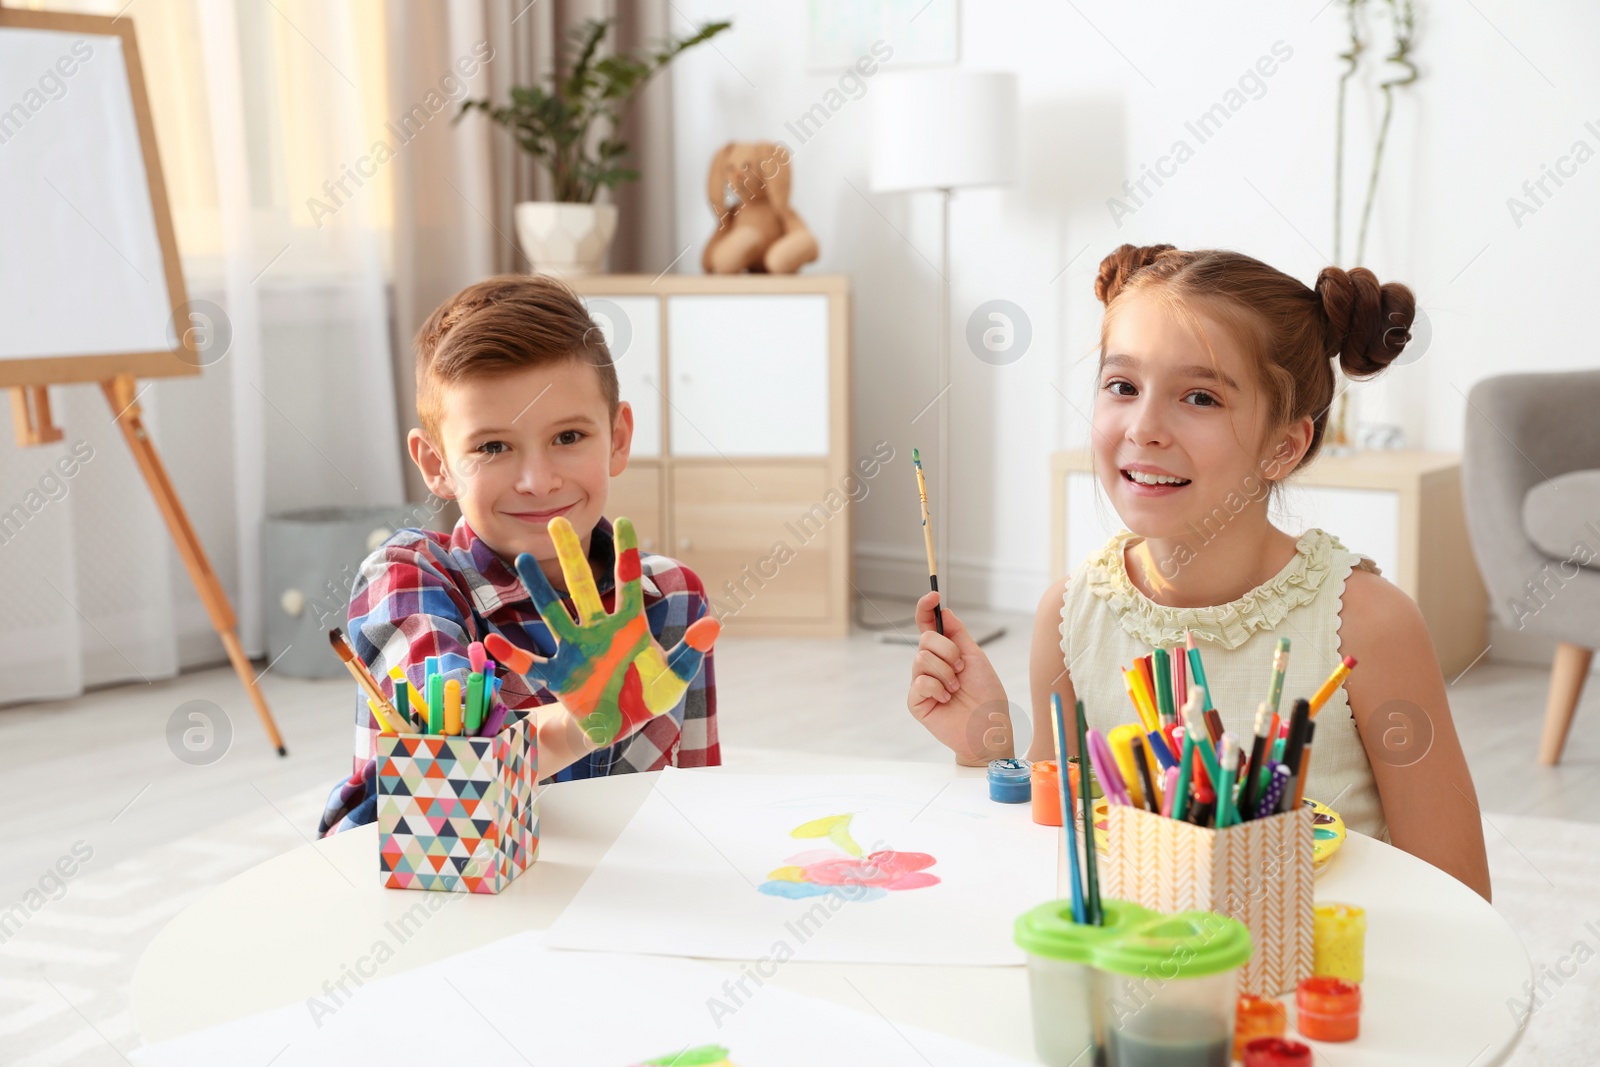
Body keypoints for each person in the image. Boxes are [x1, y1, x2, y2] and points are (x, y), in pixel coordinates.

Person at [906, 244, 1491, 900]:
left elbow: (1459, 894)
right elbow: (1057, 862)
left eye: (1200, 396)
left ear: (1284, 445)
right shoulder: (1070, 616)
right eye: (1122, 385)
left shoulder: (1367, 624)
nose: (1145, 427)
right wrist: (987, 745)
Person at [318, 275, 718, 836]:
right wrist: (577, 724)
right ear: (436, 464)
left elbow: (700, 802)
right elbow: (442, 783)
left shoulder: (673, 598)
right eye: (493, 447)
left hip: (618, 907)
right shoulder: (407, 577)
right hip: (437, 903)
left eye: (569, 436)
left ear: (618, 437)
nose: (537, 480)